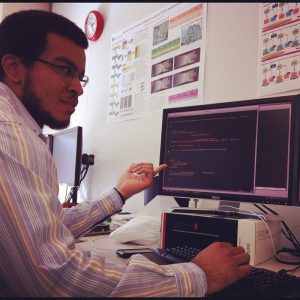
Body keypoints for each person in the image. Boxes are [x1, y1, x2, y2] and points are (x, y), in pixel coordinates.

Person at [0, 9, 251, 297]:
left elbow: (47, 227)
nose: (77, 89)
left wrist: (119, 193)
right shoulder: (10, 134)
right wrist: (199, 275)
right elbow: (55, 277)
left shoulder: (20, 130)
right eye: (64, 69)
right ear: (14, 67)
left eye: (80, 77)